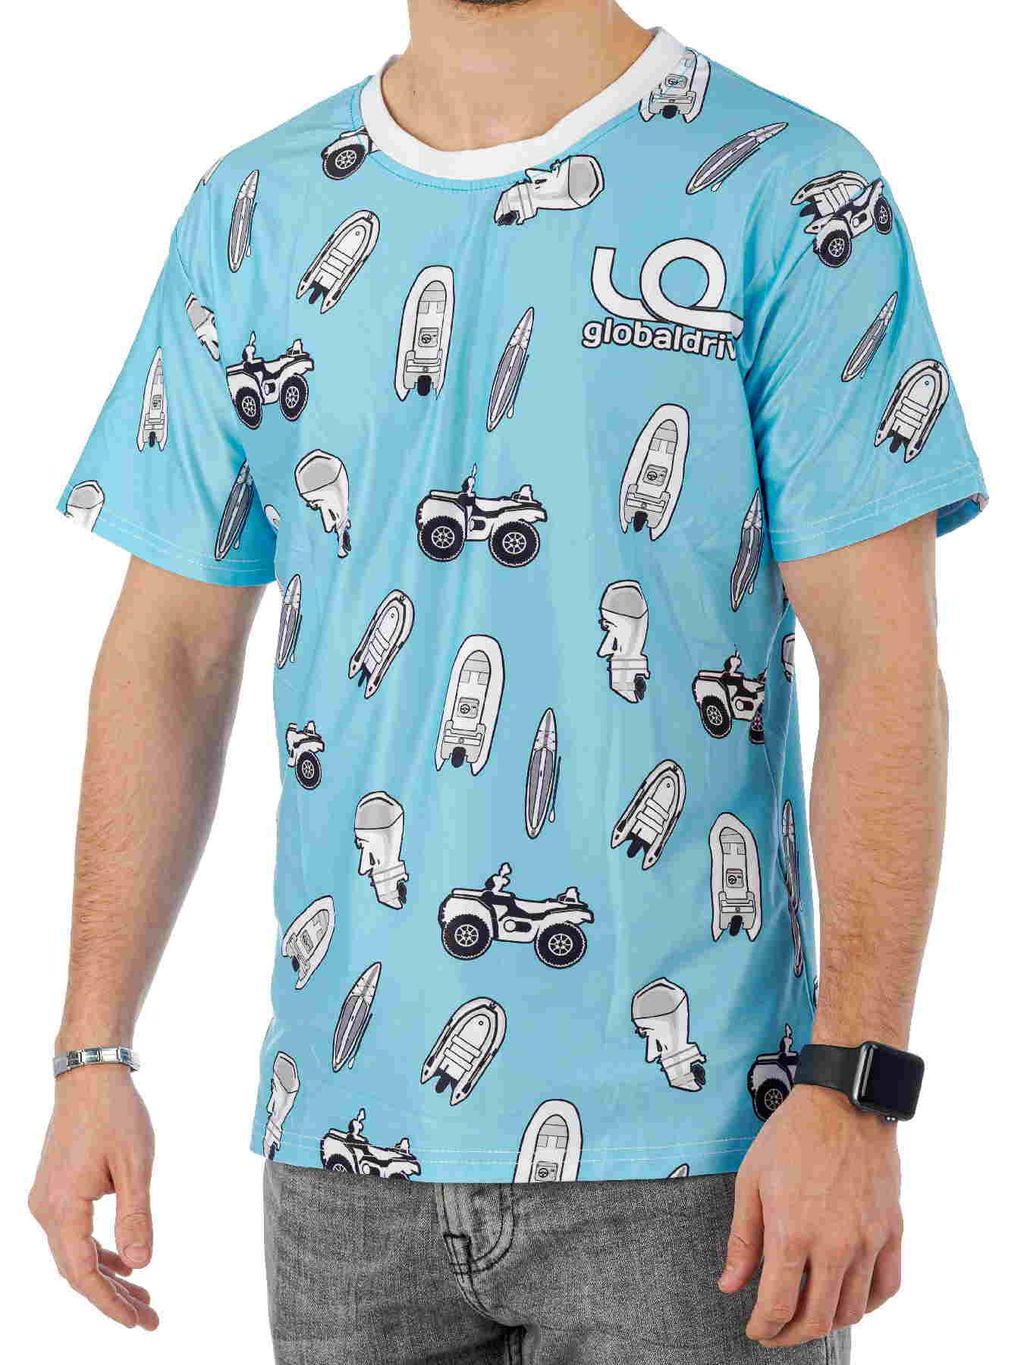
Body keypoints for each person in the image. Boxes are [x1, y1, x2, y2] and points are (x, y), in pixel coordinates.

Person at [31, 2, 987, 1361]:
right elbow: (167, 652)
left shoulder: (790, 189)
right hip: (342, 1148)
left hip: (704, 1159)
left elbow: (884, 663)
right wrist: (92, 1053)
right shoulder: (254, 211)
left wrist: (858, 1085)